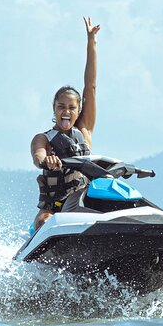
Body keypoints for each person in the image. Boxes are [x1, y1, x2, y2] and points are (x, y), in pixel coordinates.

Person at [30, 16, 100, 232]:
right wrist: (46, 160)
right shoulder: (43, 139)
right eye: (61, 107)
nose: (66, 112)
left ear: (78, 110)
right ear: (54, 109)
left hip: (83, 200)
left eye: (71, 107)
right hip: (55, 207)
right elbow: (38, 156)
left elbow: (91, 86)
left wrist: (91, 42)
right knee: (43, 220)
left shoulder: (84, 130)